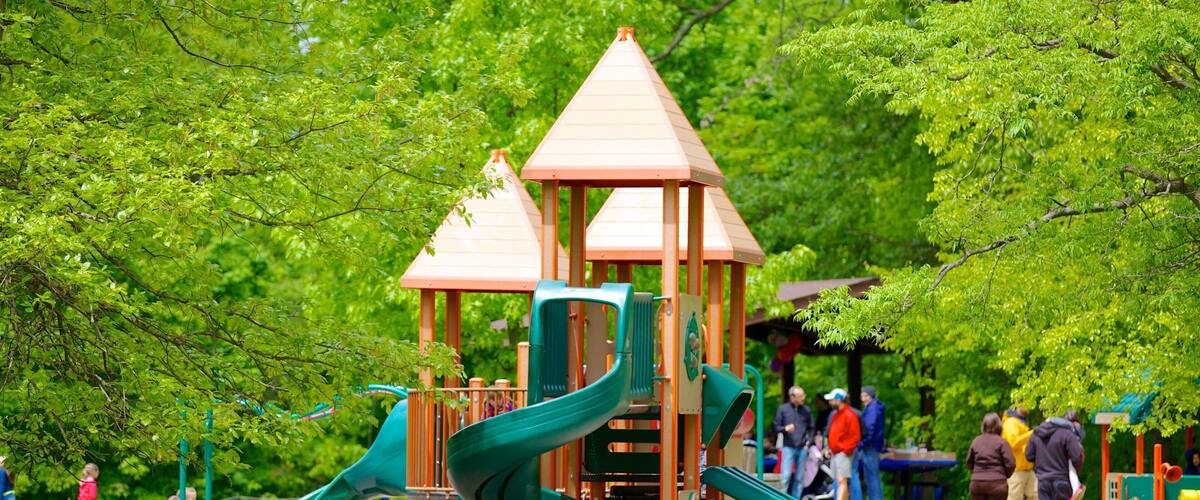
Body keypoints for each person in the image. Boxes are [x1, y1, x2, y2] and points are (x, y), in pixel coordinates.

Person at [1025, 410, 1084, 500]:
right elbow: (1076, 457)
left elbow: (1029, 455)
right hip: (1061, 480)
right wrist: (1076, 470)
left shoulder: (1036, 433)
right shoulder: (1067, 433)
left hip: (1042, 481)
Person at [774, 386, 816, 498]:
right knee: (785, 476)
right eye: (801, 396)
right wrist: (785, 429)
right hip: (788, 447)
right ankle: (782, 497)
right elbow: (776, 427)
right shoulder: (783, 409)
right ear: (792, 397)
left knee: (799, 478)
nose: (804, 398)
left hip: (802, 447)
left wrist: (809, 443)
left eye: (803, 395)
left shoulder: (806, 410)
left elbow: (812, 427)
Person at [968, 413, 1016, 500]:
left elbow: (969, 462)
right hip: (997, 484)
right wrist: (1003, 475)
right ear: (999, 426)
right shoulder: (1002, 442)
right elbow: (1011, 463)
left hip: (977, 484)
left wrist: (978, 474)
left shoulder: (976, 441)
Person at [825, 388, 861, 500]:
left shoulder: (850, 415)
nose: (830, 402)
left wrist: (846, 450)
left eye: (832, 399)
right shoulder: (836, 415)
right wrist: (829, 448)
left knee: (842, 480)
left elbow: (856, 436)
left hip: (843, 453)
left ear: (839, 400)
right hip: (836, 452)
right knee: (840, 481)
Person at [1002, 407, 1037, 500]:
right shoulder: (1011, 422)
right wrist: (1032, 433)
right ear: (1018, 404)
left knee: (1036, 495)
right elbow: (1014, 443)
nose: (1029, 406)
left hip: (1028, 469)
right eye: (1026, 403)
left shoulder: (1021, 422)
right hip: (1016, 471)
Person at [858, 386, 886, 500]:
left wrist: (861, 443)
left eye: (863, 394)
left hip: (870, 446)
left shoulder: (872, 409)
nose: (861, 397)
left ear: (867, 396)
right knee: (873, 476)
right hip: (873, 445)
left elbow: (870, 429)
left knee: (872, 477)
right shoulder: (874, 407)